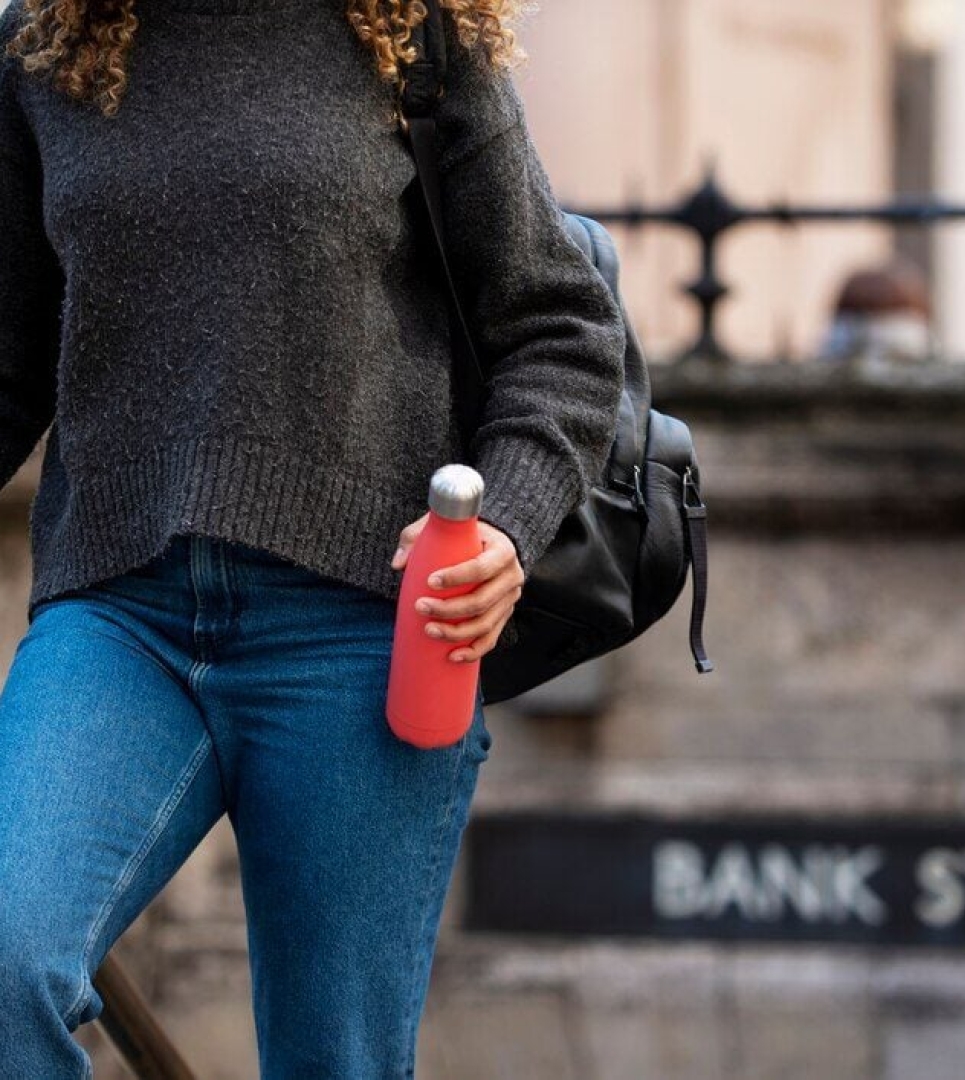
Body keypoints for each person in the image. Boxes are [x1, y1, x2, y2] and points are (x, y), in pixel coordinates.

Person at [0, 0, 626, 1075]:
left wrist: (509, 530)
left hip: (366, 632)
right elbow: (11, 356)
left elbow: (560, 329)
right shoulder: (41, 54)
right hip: (118, 617)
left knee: (332, 1060)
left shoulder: (421, 40)